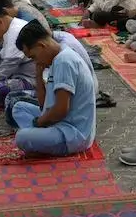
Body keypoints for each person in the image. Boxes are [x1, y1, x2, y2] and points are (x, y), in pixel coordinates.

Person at [6, 21, 97, 157]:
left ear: (41, 46)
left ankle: (40, 143)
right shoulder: (58, 57)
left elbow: (60, 110)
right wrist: (38, 75)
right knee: (19, 107)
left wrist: (39, 123)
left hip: (73, 134)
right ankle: (41, 140)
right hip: (59, 123)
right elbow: (44, 105)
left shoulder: (64, 61)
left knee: (21, 137)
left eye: (33, 57)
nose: (36, 62)